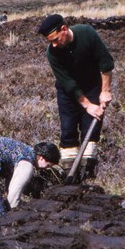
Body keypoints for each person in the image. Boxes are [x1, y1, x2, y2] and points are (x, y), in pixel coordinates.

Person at [37, 14, 114, 178]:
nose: (54, 44)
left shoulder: (87, 33)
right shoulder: (52, 53)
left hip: (92, 86)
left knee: (90, 131)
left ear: (64, 29)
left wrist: (105, 91)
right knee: (68, 131)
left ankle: (87, 174)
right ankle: (69, 174)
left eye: (56, 39)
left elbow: (105, 63)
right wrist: (87, 105)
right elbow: (68, 83)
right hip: (67, 92)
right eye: (51, 41)